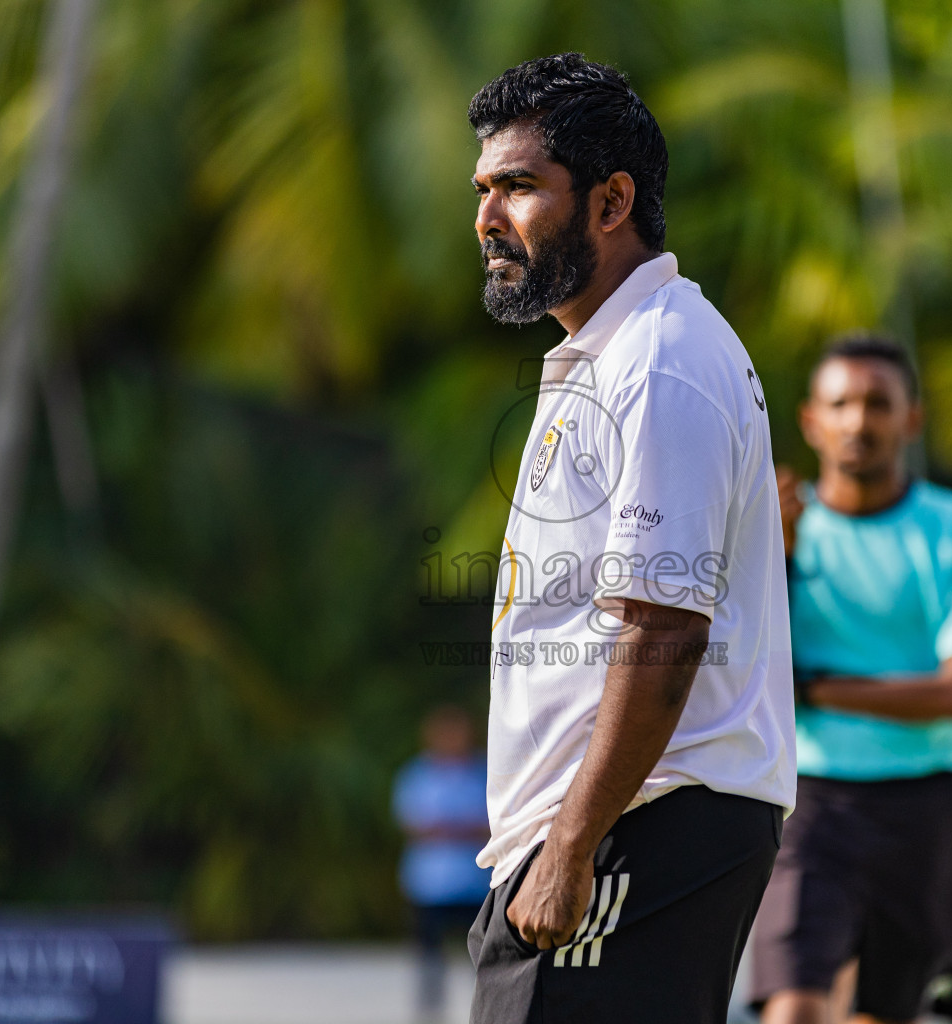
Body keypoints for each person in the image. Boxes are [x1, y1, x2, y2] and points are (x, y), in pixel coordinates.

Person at [464, 53, 796, 1024]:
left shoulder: (660, 359)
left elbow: (664, 631)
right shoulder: (604, 354)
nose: (488, 217)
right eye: (483, 189)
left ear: (611, 202)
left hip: (637, 825)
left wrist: (570, 848)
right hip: (606, 825)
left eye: (520, 186)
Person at [751, 335, 952, 1024]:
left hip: (924, 810)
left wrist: (819, 689)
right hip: (809, 806)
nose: (859, 421)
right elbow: (738, 672)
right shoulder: (774, 526)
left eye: (878, 403)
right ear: (811, 420)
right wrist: (768, 560)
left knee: (884, 1015)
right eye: (841, 403)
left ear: (911, 419)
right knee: (794, 1007)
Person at [392, 706, 493, 1023]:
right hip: (430, 883)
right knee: (429, 955)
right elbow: (413, 825)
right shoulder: (417, 773)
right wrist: (466, 829)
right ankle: (430, 1012)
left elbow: (494, 824)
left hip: (476, 882)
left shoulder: (485, 770)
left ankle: (487, 1008)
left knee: (484, 955)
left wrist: (448, 828)